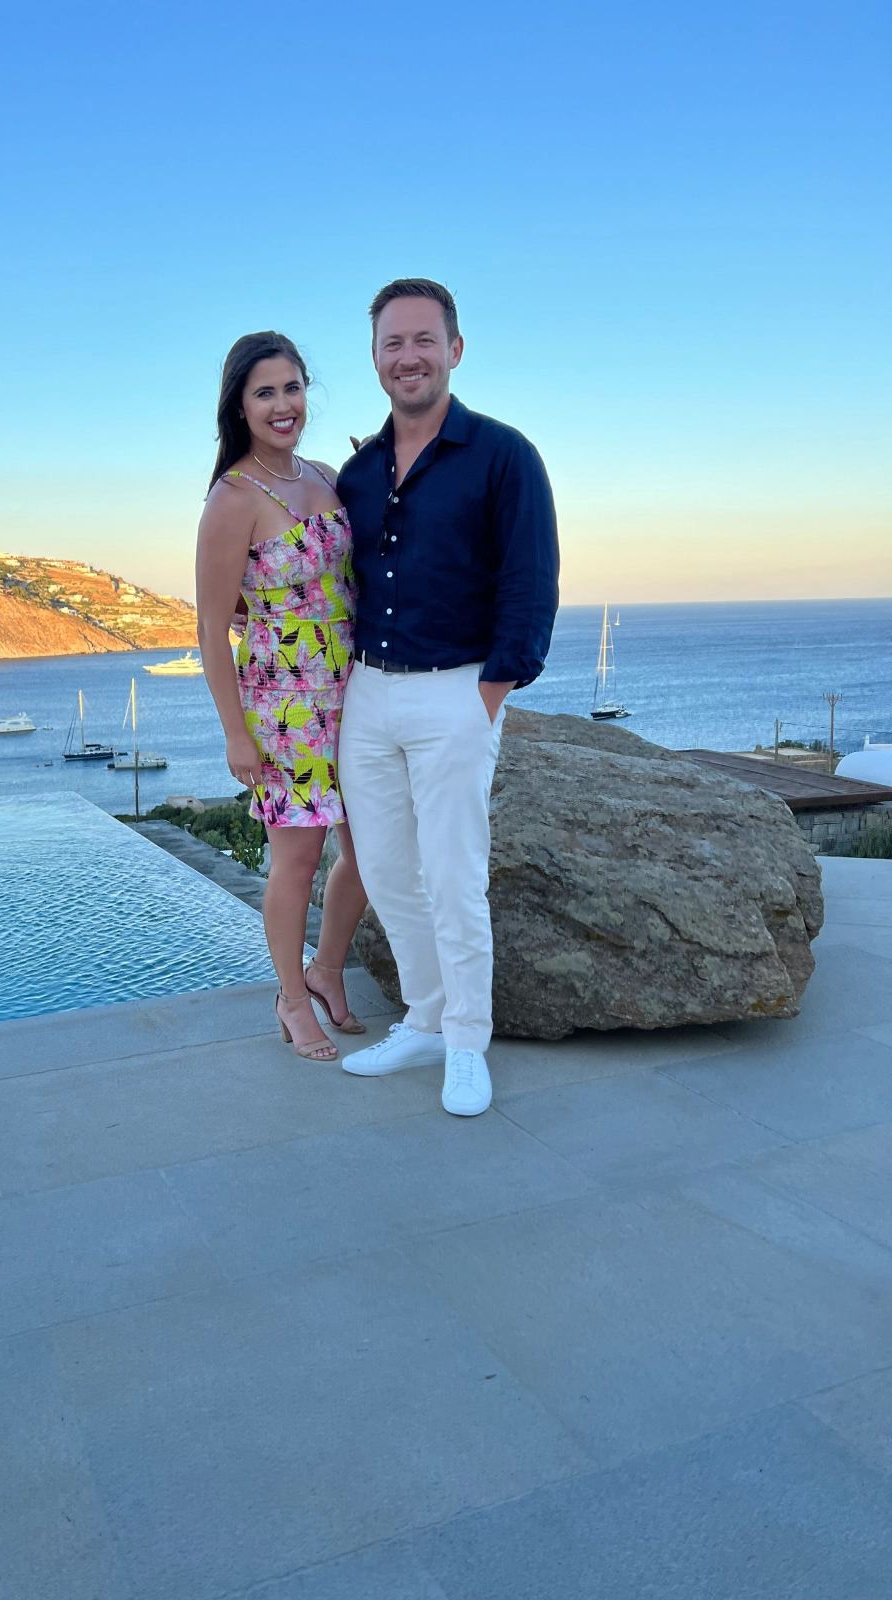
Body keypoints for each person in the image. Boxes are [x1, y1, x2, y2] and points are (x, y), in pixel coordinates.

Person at [337, 279, 559, 1115]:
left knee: (455, 877)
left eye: (423, 340)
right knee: (390, 873)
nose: (409, 357)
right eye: (393, 344)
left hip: (457, 693)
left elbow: (530, 585)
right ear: (377, 360)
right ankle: (426, 1022)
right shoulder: (358, 473)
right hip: (369, 694)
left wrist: (490, 694)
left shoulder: (504, 455)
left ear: (454, 350)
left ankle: (469, 1040)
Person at [196, 332, 370, 1061]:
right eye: (264, 392)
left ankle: (326, 969)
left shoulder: (328, 475)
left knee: (370, 851)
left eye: (292, 388)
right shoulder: (232, 500)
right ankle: (290, 998)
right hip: (286, 710)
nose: (282, 404)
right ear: (240, 405)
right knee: (295, 861)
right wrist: (237, 735)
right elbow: (210, 629)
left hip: (358, 694)